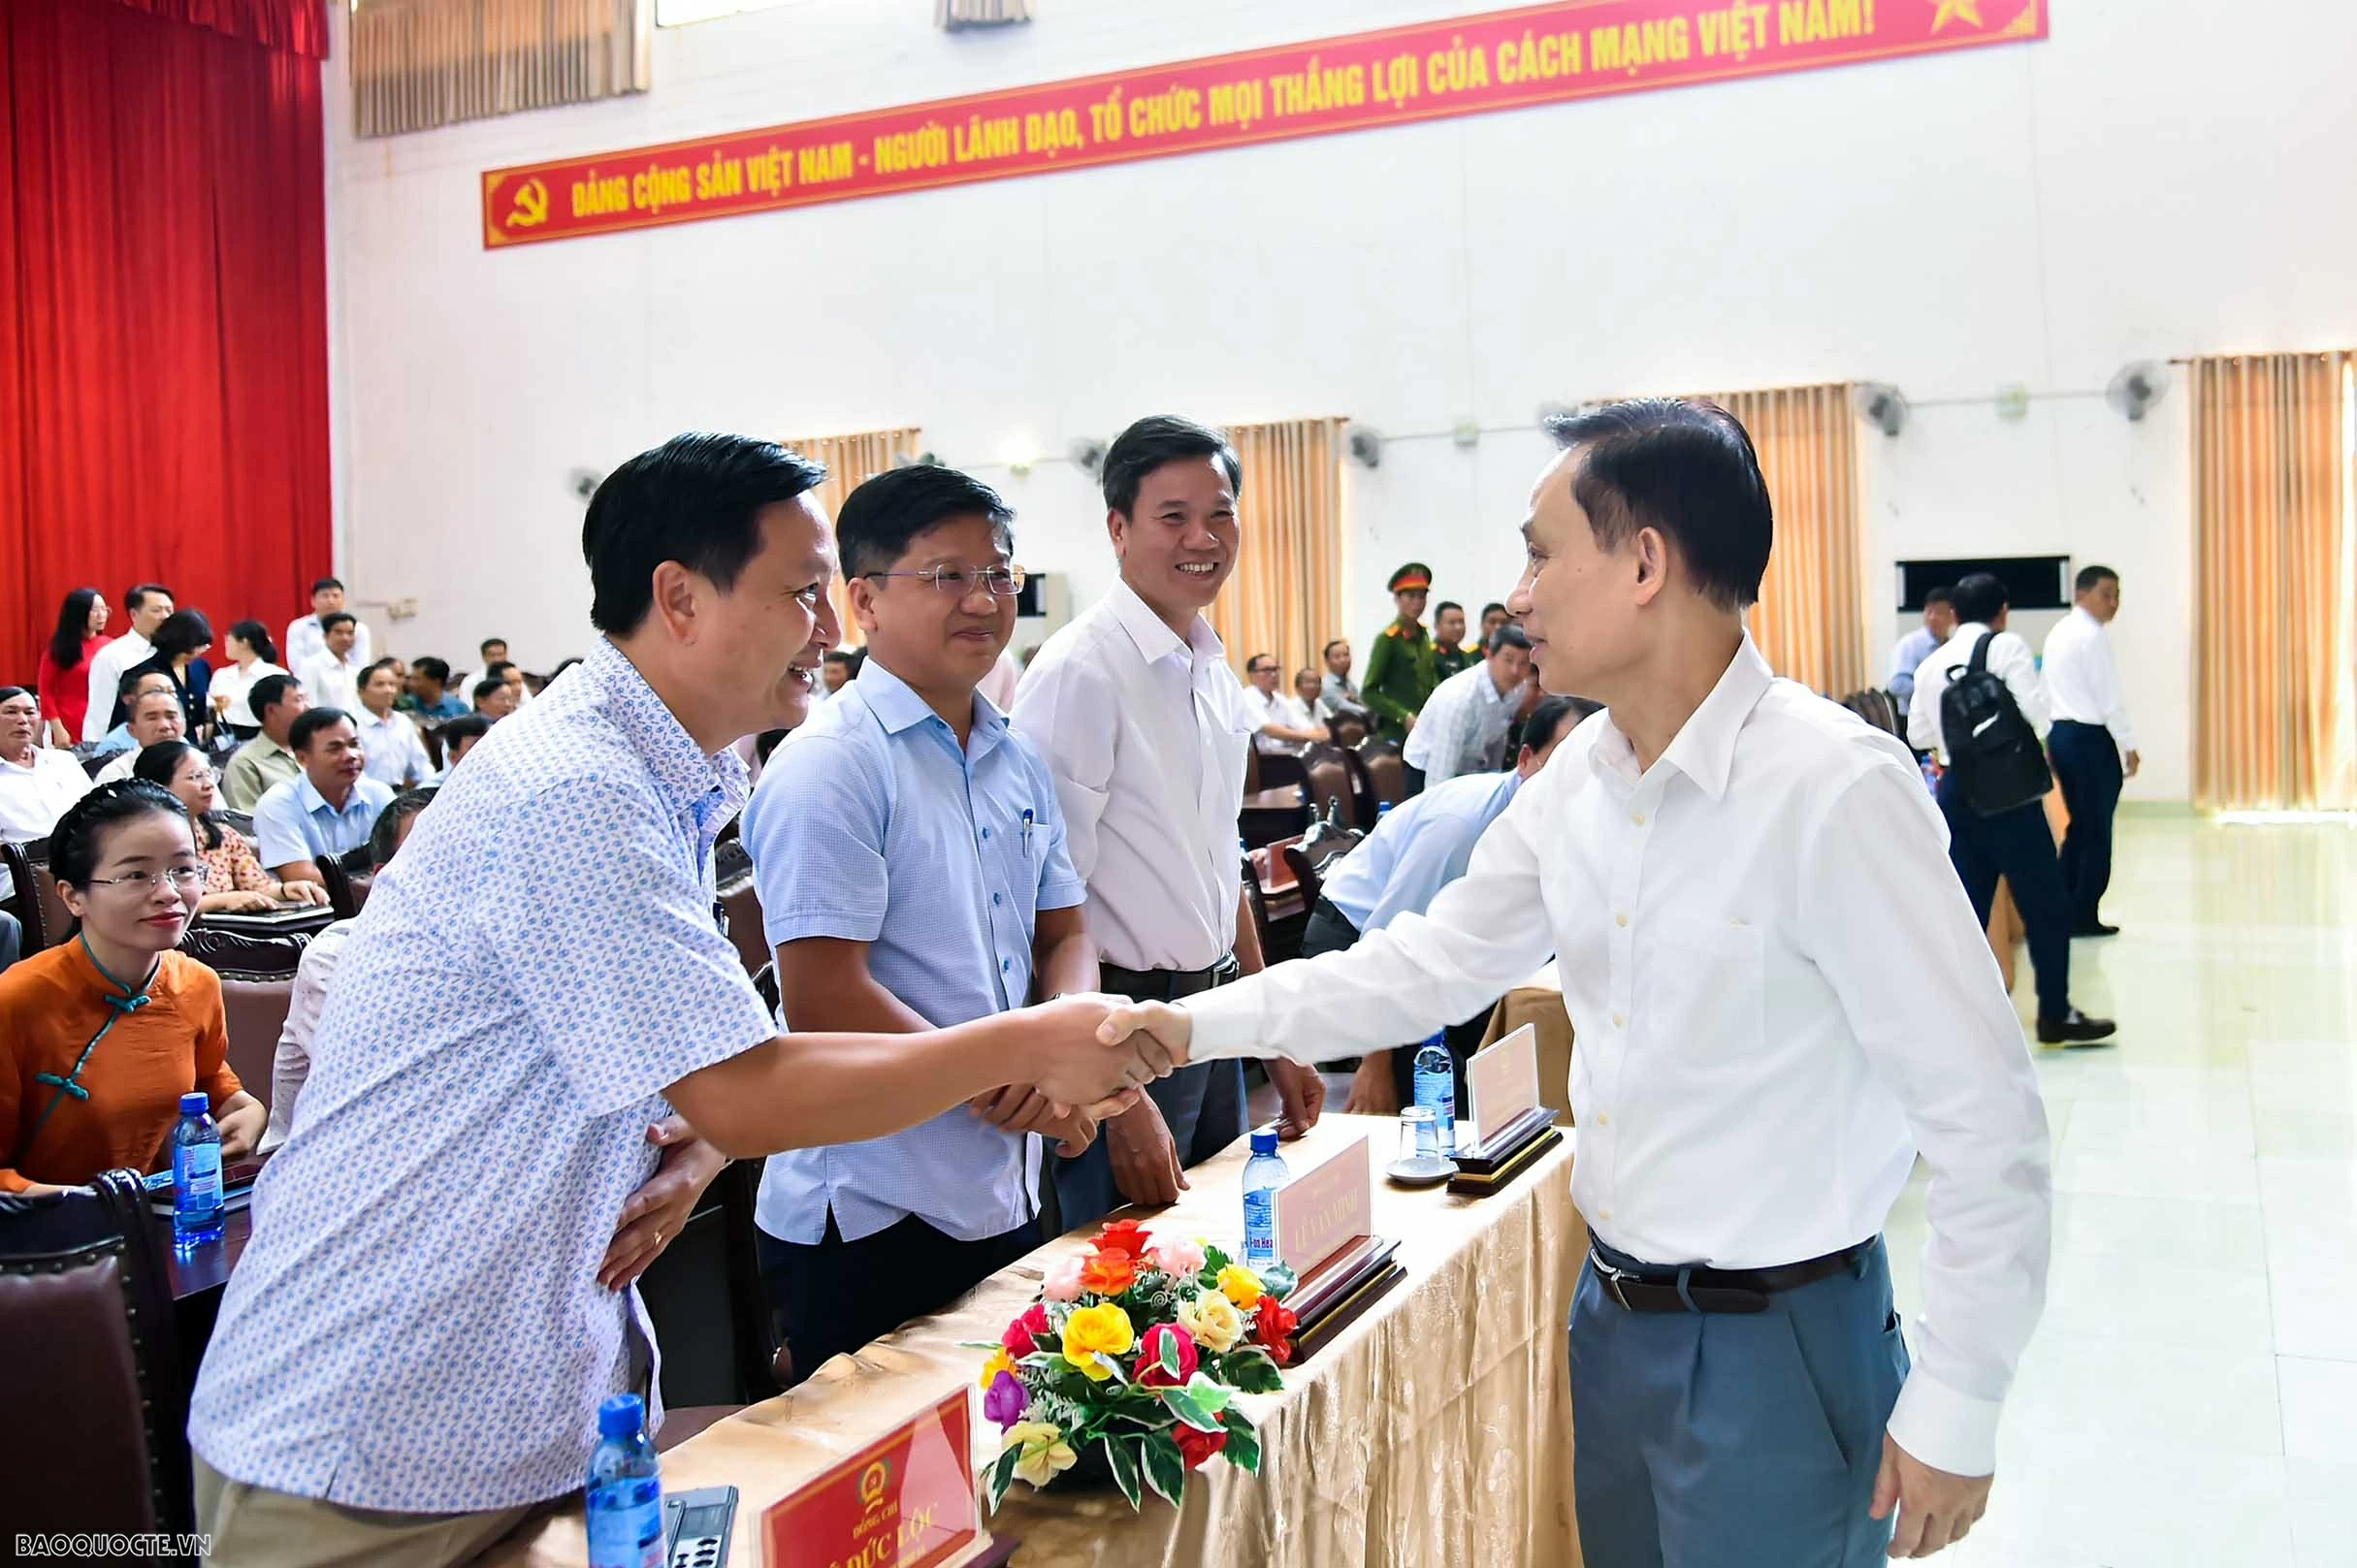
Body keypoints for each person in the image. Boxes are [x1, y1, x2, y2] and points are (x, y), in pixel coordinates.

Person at [1101, 398, 2058, 1567]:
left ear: (1646, 563)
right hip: (1613, 1327)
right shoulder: (1580, 786)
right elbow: (1426, 963)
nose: (1517, 592)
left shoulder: (1832, 789)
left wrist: (1960, 1402)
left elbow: (1985, 1115)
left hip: (1780, 1346)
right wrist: (1178, 1026)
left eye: (1543, 550)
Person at [187, 432, 1163, 1564]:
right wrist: (1030, 1044)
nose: (829, 630)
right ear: (679, 598)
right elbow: (753, 1085)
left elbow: (689, 1064)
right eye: (802, 593)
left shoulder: (663, 777)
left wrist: (698, 1132)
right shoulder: (578, 788)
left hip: (533, 1394)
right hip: (381, 1423)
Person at [745, 464, 1103, 1383]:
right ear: (862, 598)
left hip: (1008, 1173)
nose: (983, 599)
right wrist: (1012, 1072)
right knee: (892, 1508)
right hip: (875, 1207)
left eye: (998, 573)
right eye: (947, 576)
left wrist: (1064, 1045)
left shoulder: (1014, 756)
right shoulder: (832, 762)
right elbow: (825, 993)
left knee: (1014, 1475)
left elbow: (1066, 932)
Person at [1015, 414, 1321, 1231]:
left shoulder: (1215, 670)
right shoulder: (1081, 672)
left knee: (1220, 1274)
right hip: (1122, 1033)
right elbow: (1044, 903)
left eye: (1219, 514)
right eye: (1173, 516)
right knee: (1127, 1310)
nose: (1203, 537)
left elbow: (1224, 868)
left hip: (1209, 1018)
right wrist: (1113, 1095)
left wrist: (1272, 1032)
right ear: (1118, 529)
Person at [1312, 694, 1594, 1114]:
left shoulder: (1566, 820)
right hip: (1352, 938)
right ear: (1525, 760)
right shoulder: (1459, 826)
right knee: (1439, 1087)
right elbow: (1385, 937)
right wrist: (1375, 1063)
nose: (1577, 777)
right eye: (1563, 759)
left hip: (1439, 946)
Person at [0, 782, 269, 1193]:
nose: (168, 893)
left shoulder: (197, 984)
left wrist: (246, 1108)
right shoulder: (16, 1000)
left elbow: (209, 1079)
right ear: (73, 897)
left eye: (182, 869)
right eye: (136, 875)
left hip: (164, 1220)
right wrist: (75, 1204)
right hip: (48, 1243)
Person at [1908, 573, 2115, 1046]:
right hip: (2010, 795)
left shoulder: (1931, 665)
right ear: (2002, 612)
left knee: (1966, 910)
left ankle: (1956, 1022)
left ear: (1954, 614)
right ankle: (2055, 1014)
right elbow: (2038, 716)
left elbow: (1919, 735)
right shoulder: (2008, 649)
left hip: (1957, 793)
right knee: (2046, 905)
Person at [264, 789, 433, 1147]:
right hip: (324, 1161)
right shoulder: (337, 955)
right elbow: (385, 1090)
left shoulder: (492, 948)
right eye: (434, 852)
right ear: (385, 877)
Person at [2041, 565, 2137, 936]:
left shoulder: (2059, 632)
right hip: (2090, 739)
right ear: (2082, 594)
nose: (2113, 603)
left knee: (2079, 829)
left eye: (2117, 595)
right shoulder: (2091, 635)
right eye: (2106, 594)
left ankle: (2065, 908)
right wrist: (2128, 744)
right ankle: (2084, 914)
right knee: (2096, 832)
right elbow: (2109, 698)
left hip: (2063, 736)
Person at [132, 741, 327, 914]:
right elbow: (150, 904)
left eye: (209, 774)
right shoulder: (140, 844)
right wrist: (223, 900)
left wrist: (287, 890)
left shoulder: (223, 837)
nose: (208, 785)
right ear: (159, 785)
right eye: (195, 776)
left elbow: (258, 887)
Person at [250, 708, 397, 887]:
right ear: (303, 758)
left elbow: (407, 858)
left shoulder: (379, 794)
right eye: (335, 749)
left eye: (354, 744)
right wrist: (375, 885)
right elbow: (302, 878)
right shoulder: (277, 805)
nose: (351, 756)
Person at [1403, 623, 1534, 789]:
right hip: (1427, 767)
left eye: (1523, 663)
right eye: (1508, 660)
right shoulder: (1460, 698)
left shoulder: (1517, 690)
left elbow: (1498, 739)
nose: (1515, 670)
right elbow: (1440, 770)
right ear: (1489, 656)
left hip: (1470, 766)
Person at [81, 583, 174, 742]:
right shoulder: (112, 656)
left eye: (169, 610)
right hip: (125, 746)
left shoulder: (174, 653)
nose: (165, 616)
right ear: (134, 614)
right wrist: (96, 751)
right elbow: (100, 713)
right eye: (156, 610)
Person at [0, 687, 93, 843]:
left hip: (84, 855)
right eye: (11, 712)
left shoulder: (64, 761)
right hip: (22, 863)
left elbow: (96, 810)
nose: (23, 720)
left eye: (30, 712)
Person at [1360, 561, 1437, 742]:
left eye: (1422, 596)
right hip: (1397, 735)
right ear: (1397, 598)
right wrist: (1402, 716)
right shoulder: (1388, 639)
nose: (1417, 603)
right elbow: (1368, 693)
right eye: (1411, 596)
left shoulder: (1424, 635)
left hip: (1426, 730)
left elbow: (1429, 681)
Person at [113, 607, 215, 738]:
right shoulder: (141, 674)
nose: (195, 654)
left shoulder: (201, 667)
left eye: (201, 647)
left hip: (189, 746)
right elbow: (122, 722)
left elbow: (199, 716)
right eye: (188, 649)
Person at [222, 676, 309, 813]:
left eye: (306, 699)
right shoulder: (245, 763)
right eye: (298, 700)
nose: (308, 707)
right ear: (271, 710)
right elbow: (247, 822)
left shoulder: (317, 749)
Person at [37, 587, 110, 748]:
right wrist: (58, 728)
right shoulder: (59, 649)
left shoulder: (110, 646)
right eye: (95, 610)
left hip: (102, 723)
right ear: (78, 613)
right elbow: (45, 692)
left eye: (104, 609)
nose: (101, 615)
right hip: (68, 723)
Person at [352, 660, 436, 788]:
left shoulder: (403, 722)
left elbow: (421, 765)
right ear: (361, 692)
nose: (388, 690)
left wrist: (429, 788)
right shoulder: (352, 724)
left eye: (392, 684)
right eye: (380, 685)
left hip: (400, 795)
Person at [91, 688, 189, 786]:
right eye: (152, 718)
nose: (164, 726)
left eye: (171, 716)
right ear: (131, 730)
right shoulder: (116, 775)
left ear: (184, 724)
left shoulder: (202, 765)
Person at [1238, 654, 1329, 754]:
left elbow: (1303, 725)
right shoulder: (1247, 697)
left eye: (1276, 669)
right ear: (1252, 675)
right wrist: (1309, 736)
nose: (1274, 674)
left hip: (1289, 755)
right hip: (1264, 761)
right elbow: (1270, 730)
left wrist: (1321, 733)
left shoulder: (1280, 700)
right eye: (1267, 670)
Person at [210, 621, 289, 737]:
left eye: (228, 640)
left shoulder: (274, 675)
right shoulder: (221, 675)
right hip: (223, 736)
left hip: (259, 735)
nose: (226, 644)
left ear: (244, 642)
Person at [284, 576, 371, 676]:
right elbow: (296, 664)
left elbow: (362, 664)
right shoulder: (298, 627)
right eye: (325, 596)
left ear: (343, 600)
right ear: (313, 600)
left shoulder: (358, 629)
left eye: (335, 596)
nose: (331, 601)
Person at [1889, 587, 1956, 709]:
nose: (1932, 617)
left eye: (1939, 613)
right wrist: (1934, 692)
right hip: (1912, 717)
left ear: (1953, 617)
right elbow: (1897, 685)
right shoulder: (1910, 644)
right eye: (1929, 612)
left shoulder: (1952, 646)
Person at [89, 670, 178, 760]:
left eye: (171, 691)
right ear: (130, 700)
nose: (166, 697)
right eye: (156, 691)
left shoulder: (178, 737)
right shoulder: (114, 746)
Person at [297, 612, 365, 714]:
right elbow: (307, 705)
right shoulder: (311, 666)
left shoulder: (354, 668)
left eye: (350, 633)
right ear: (325, 635)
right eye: (339, 632)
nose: (345, 638)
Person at [1315, 638, 1369, 720]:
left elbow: (1363, 704)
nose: (1343, 660)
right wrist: (1373, 712)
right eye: (1337, 657)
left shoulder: (1350, 685)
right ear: (1327, 661)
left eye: (1346, 655)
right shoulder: (1326, 686)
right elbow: (1346, 708)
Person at [404, 656, 468, 721]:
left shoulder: (458, 709)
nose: (410, 683)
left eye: (417, 679)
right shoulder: (407, 704)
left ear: (436, 681)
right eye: (411, 678)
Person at [1430, 599, 1475, 680]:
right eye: (1452, 622)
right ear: (1437, 625)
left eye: (1461, 622)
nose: (1458, 627)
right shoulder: (1429, 655)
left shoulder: (1469, 656)